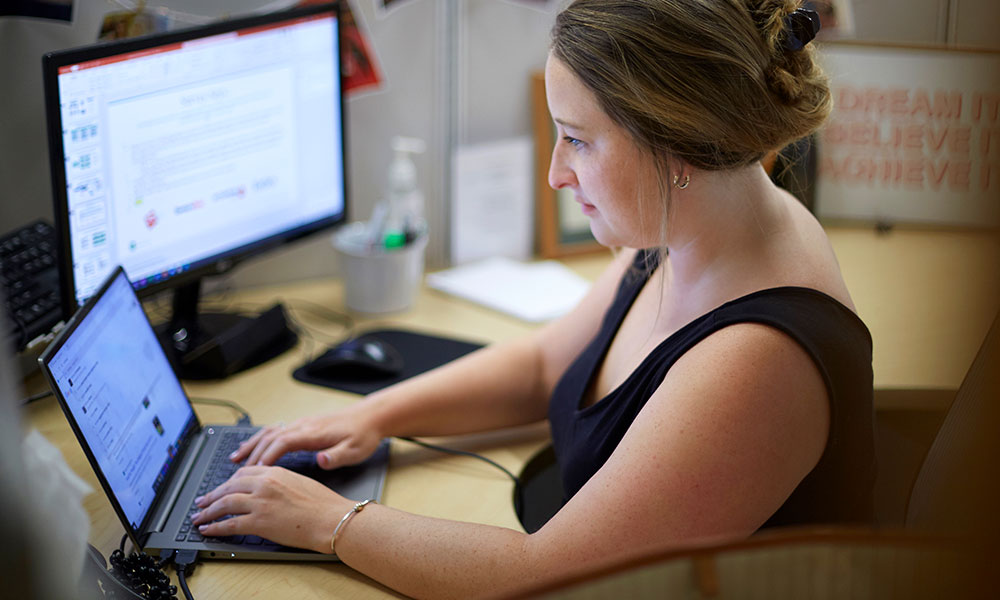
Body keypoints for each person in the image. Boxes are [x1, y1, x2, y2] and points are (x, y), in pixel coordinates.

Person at [192, 1, 876, 597]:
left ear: (679, 147)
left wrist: (330, 523)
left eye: (577, 140)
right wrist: (377, 415)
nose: (555, 173)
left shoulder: (759, 358)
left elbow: (549, 578)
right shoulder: (697, 225)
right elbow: (546, 366)